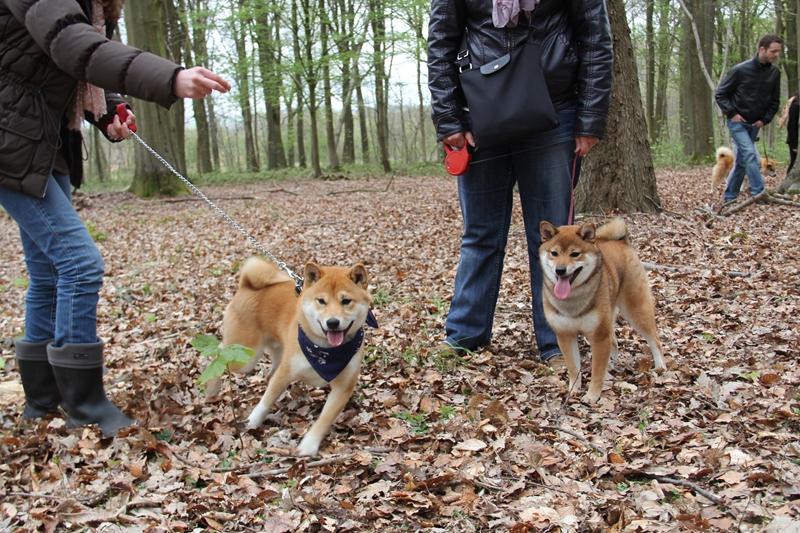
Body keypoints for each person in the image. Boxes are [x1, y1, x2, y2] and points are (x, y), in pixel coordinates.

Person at [0, 0, 230, 436]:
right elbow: (72, 44)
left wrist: (108, 109)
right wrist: (170, 77)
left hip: (38, 137)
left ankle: (43, 401)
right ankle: (83, 404)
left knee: (48, 272)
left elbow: (84, 60)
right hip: (12, 136)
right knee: (78, 264)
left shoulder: (98, 5)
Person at [426, 0, 613, 368]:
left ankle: (557, 343)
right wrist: (449, 119)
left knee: (554, 239)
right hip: (479, 113)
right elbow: (441, 42)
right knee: (480, 234)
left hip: (554, 111)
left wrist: (590, 117)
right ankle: (464, 336)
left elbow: (595, 38)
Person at [715, 34, 782, 203]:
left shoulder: (774, 73)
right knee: (751, 155)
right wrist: (733, 114)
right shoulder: (740, 70)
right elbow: (721, 94)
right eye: (773, 51)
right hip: (737, 123)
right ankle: (759, 194)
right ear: (762, 49)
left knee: (742, 162)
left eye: (779, 52)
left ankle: (730, 196)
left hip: (756, 124)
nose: (776, 55)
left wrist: (764, 120)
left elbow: (774, 102)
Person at [786, 92, 799, 175]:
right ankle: (788, 180)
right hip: (794, 140)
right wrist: (794, 145)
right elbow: (791, 125)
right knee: (794, 162)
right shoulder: (796, 105)